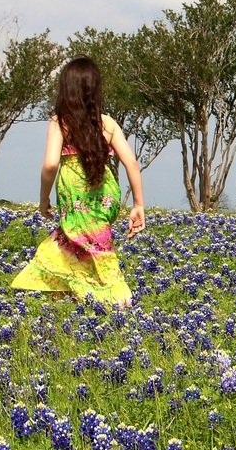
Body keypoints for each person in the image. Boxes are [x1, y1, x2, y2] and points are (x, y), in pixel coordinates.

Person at [11, 56, 144, 306]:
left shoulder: (60, 122)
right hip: (104, 192)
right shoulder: (108, 124)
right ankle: (90, 294)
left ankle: (107, 295)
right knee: (94, 240)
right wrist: (139, 204)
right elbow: (132, 163)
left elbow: (50, 164)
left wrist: (43, 199)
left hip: (75, 196)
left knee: (74, 239)